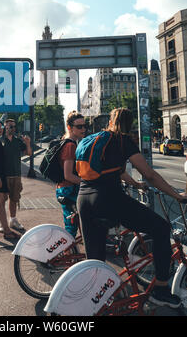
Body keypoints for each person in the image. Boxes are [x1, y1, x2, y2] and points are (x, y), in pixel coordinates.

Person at [76, 107, 187, 309]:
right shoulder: (123, 141)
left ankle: (96, 301)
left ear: (110, 121)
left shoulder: (95, 139)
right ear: (130, 124)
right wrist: (177, 195)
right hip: (109, 199)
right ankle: (160, 290)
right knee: (161, 228)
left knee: (95, 257)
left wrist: (135, 185)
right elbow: (149, 174)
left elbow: (112, 171)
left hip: (84, 198)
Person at [0, 119, 32, 232]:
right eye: (9, 126)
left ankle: (13, 220)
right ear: (5, 128)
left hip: (16, 175)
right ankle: (1, 222)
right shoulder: (0, 140)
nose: (12, 128)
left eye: (13, 126)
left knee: (14, 199)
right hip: (4, 175)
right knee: (1, 200)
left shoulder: (17, 141)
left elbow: (29, 153)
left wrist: (27, 143)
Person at [56, 111, 86, 237]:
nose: (83, 129)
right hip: (68, 189)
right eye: (79, 127)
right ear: (69, 127)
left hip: (64, 188)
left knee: (72, 225)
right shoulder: (70, 146)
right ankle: (66, 253)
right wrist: (87, 182)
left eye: (85, 126)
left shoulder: (66, 141)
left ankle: (71, 253)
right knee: (71, 227)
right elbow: (68, 175)